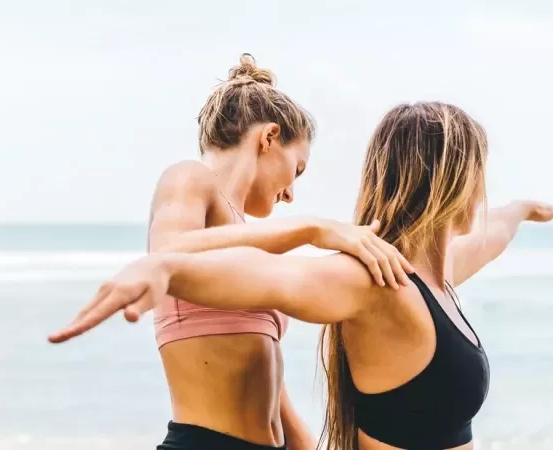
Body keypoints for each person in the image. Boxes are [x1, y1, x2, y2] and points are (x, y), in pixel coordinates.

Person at [49, 102, 553, 450]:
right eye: (480, 174)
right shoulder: (371, 284)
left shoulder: (433, 278)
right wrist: (163, 268)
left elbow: (489, 236)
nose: (484, 191)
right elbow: (271, 278)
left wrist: (520, 210)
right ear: (452, 177)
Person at [49, 54, 414, 450]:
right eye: (298, 168)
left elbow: (270, 386)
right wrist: (311, 229)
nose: (291, 192)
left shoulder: (243, 242)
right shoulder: (189, 177)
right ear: (269, 137)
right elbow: (168, 255)